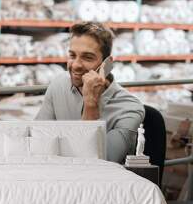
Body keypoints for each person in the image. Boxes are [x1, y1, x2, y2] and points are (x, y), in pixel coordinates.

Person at [35, 21, 145, 163]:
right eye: (72, 56)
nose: (76, 65)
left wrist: (91, 104)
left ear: (107, 64)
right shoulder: (59, 84)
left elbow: (99, 162)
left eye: (87, 57)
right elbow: (38, 140)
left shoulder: (130, 109)